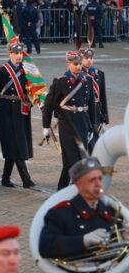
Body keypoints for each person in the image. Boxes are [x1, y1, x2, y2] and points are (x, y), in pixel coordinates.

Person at [39, 157, 119, 273]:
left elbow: (118, 253)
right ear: (77, 183)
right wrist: (82, 240)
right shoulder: (60, 213)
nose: (98, 184)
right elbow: (46, 246)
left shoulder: (111, 212)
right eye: (91, 180)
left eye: (100, 178)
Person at [0, 42, 35, 188]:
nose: (19, 56)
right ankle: (26, 179)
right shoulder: (1, 71)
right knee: (14, 143)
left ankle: (5, 178)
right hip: (7, 109)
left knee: (16, 143)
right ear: (9, 54)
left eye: (21, 53)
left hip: (22, 109)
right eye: (16, 53)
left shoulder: (27, 70)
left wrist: (38, 100)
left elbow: (33, 88)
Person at [43, 51, 96, 189]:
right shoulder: (60, 80)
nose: (79, 66)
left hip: (83, 123)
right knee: (76, 161)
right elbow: (49, 105)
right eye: (75, 64)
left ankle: (61, 189)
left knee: (69, 162)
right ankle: (76, 192)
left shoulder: (88, 79)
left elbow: (91, 105)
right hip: (67, 124)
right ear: (68, 64)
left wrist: (92, 127)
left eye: (80, 63)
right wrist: (46, 126)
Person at [79, 47, 108, 151]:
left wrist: (105, 117)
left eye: (91, 58)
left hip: (96, 112)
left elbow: (103, 97)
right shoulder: (77, 75)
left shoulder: (99, 74)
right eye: (86, 58)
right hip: (84, 113)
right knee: (89, 144)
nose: (89, 60)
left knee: (95, 143)